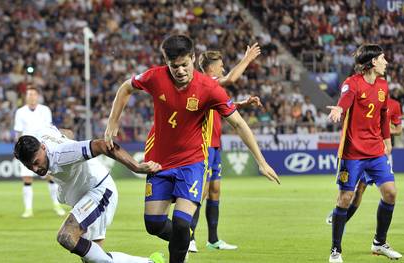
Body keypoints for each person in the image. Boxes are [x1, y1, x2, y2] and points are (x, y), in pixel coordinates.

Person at [104, 34, 280, 263]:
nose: (179, 71)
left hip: (192, 163)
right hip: (158, 162)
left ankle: (181, 245)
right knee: (154, 224)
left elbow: (238, 123)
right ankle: (182, 240)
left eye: (184, 64)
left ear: (193, 59)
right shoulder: (155, 77)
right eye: (173, 66)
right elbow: (125, 88)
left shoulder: (209, 88)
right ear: (166, 62)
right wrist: (112, 122)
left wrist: (261, 161)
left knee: (180, 222)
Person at [13, 125, 165, 263]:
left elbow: (102, 145)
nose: (35, 168)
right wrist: (64, 138)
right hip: (84, 195)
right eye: (29, 166)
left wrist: (136, 166)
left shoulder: (62, 154)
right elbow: (66, 132)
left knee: (66, 236)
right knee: (93, 259)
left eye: (36, 161)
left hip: (99, 190)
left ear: (44, 147)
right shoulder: (39, 133)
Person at [326, 44, 402, 262]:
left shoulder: (383, 86)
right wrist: (340, 109)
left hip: (376, 150)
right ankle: (335, 251)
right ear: (373, 62)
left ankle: (379, 243)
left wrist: (387, 143)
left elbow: (384, 116)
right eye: (383, 58)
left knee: (390, 192)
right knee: (345, 198)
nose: (386, 62)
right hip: (353, 152)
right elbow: (346, 99)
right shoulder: (352, 83)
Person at [188, 45, 263, 253]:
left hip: (215, 145)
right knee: (201, 192)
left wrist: (242, 103)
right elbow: (230, 78)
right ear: (210, 69)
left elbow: (224, 106)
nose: (223, 69)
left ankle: (213, 239)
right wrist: (247, 59)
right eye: (220, 66)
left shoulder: (213, 89)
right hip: (202, 146)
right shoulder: (204, 82)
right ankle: (189, 236)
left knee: (214, 191)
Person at [325, 97, 403, 225]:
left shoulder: (394, 105)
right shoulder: (367, 99)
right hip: (365, 151)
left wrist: (388, 131)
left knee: (382, 191)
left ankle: (341, 219)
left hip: (381, 154)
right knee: (358, 190)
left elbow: (399, 130)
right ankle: (341, 218)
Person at [13, 86, 65, 218]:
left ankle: (56, 204)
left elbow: (49, 129)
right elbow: (18, 132)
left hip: (42, 148)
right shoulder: (20, 112)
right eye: (29, 94)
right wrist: (18, 152)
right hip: (26, 150)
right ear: (26, 97)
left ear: (37, 96)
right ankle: (28, 209)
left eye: (33, 94)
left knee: (50, 176)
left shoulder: (45, 110)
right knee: (27, 179)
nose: (31, 97)